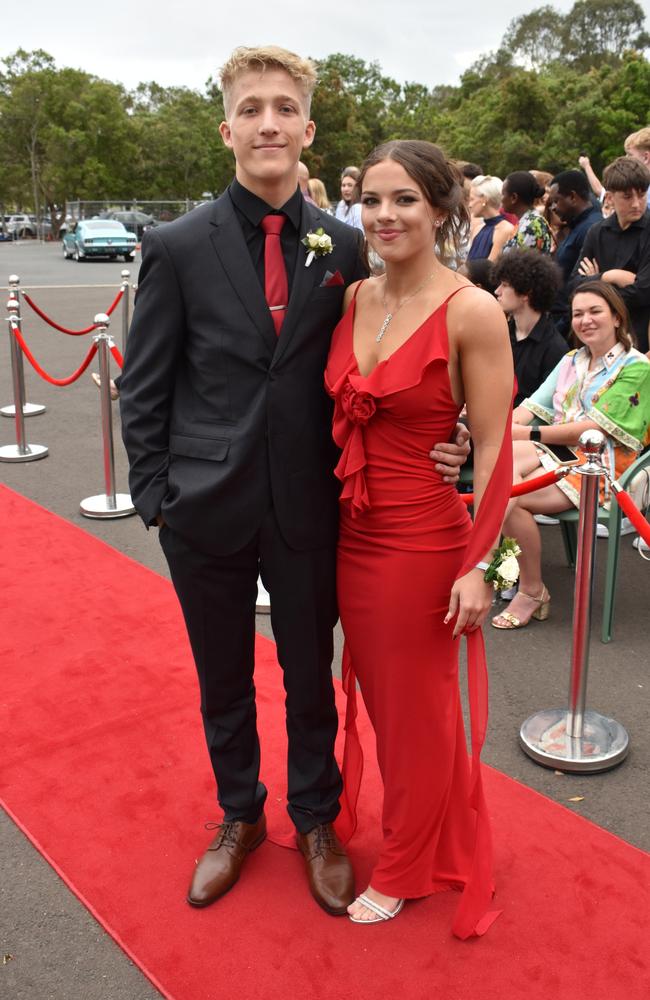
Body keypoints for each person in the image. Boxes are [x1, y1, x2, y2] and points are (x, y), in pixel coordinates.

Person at [119, 46, 469, 918]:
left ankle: (317, 818)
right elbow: (146, 382)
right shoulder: (174, 245)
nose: (268, 122)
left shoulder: (355, 246)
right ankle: (239, 815)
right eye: (251, 108)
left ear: (307, 129)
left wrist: (449, 435)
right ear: (228, 126)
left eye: (284, 108)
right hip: (204, 509)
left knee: (312, 673)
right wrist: (157, 494)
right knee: (222, 676)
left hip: (318, 506)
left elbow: (390, 358)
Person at [324, 140, 514, 936]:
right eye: (372, 199)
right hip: (348, 535)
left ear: (441, 208)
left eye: (404, 199)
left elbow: (500, 449)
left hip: (422, 544)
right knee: (385, 705)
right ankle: (410, 834)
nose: (384, 215)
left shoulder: (470, 309)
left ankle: (406, 864)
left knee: (417, 714)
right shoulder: (351, 296)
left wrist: (485, 567)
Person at [493, 282, 650, 630]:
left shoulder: (636, 367)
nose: (585, 320)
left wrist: (527, 433)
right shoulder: (572, 360)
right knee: (499, 468)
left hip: (602, 466)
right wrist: (499, 427)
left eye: (595, 311)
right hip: (555, 452)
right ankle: (505, 571)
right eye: (578, 313)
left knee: (508, 495)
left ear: (616, 316)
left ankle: (521, 583)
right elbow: (531, 408)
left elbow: (593, 428)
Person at [572, 156, 650, 352]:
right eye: (627, 196)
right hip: (598, 340)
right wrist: (608, 276)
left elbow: (643, 292)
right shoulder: (597, 232)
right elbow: (575, 285)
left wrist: (595, 282)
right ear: (609, 197)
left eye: (641, 195)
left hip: (640, 338)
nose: (636, 204)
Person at [493, 249, 568, 405]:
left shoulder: (555, 349)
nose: (497, 291)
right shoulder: (500, 333)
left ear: (526, 293)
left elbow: (547, 408)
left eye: (505, 285)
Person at [547, 169, 602, 337]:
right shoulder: (577, 225)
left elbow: (580, 284)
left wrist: (562, 328)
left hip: (569, 324)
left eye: (557, 201)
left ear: (572, 197)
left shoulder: (591, 229)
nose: (554, 208)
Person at [501, 171, 553, 254]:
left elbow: (523, 264)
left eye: (503, 194)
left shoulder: (533, 225)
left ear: (514, 198)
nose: (501, 199)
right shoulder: (526, 221)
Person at [466, 175, 514, 261]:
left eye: (472, 199)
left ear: (484, 199)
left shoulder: (505, 229)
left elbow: (490, 267)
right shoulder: (478, 229)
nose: (470, 205)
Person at [335, 166, 364, 231]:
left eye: (350, 185)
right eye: (343, 185)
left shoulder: (358, 208)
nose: (346, 189)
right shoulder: (341, 205)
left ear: (358, 187)